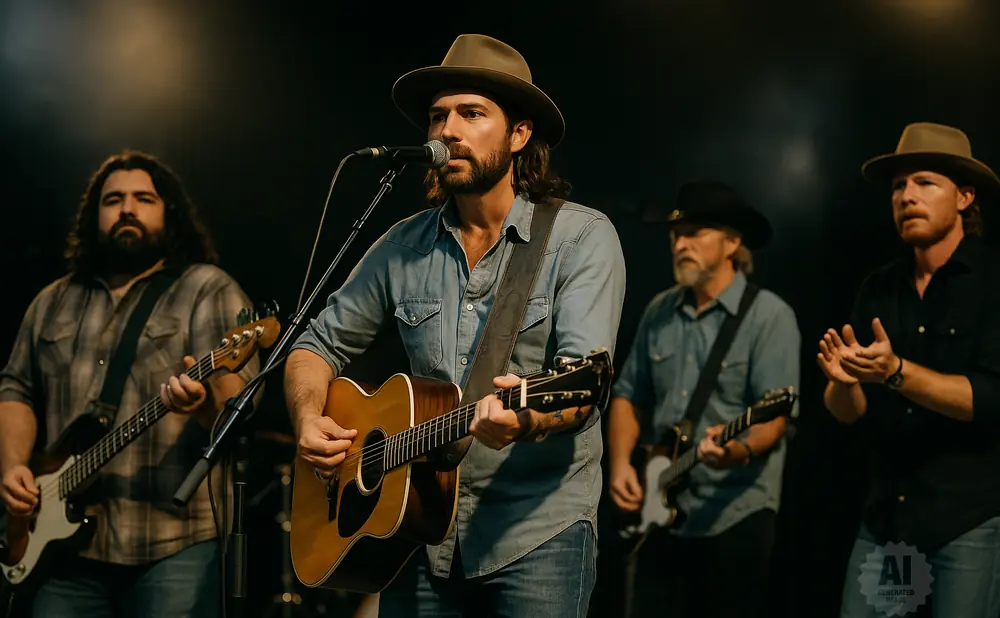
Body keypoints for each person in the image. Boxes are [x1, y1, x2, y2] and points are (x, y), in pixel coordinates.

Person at [284, 34, 626, 618]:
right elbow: (314, 345)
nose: (447, 130)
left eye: (471, 113)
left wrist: (529, 417)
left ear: (519, 135)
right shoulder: (402, 246)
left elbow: (582, 390)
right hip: (419, 538)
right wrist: (308, 417)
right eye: (438, 115)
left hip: (537, 535)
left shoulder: (580, 239)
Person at [0, 151, 258, 617]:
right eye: (113, 199)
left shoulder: (207, 289)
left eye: (144, 198)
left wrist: (200, 405)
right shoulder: (51, 302)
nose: (127, 209)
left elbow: (238, 407)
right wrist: (14, 467)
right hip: (63, 556)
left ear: (170, 212)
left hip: (175, 545)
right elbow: (15, 388)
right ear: (93, 215)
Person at [821, 122, 1000, 617]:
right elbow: (847, 413)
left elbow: (986, 399)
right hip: (888, 521)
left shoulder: (992, 282)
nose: (906, 196)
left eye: (924, 183)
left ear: (965, 197)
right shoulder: (880, 286)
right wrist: (841, 382)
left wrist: (897, 371)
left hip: (966, 521)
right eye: (899, 186)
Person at [607, 180, 800, 618]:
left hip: (734, 515)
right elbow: (628, 394)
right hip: (659, 516)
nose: (680, 243)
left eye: (695, 233)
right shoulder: (659, 310)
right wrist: (620, 466)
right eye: (676, 234)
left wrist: (738, 449)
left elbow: (777, 414)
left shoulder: (769, 316)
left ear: (733, 242)